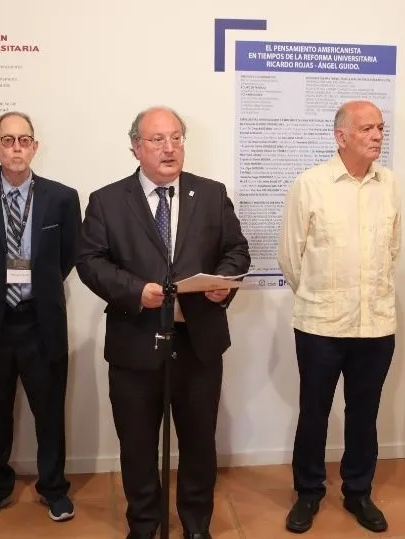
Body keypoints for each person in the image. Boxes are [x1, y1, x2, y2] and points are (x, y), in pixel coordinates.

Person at [76, 106, 250, 539]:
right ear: (136, 147)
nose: (169, 147)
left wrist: (222, 284)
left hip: (198, 343)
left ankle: (195, 524)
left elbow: (237, 251)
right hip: (135, 344)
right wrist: (135, 290)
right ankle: (144, 524)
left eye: (176, 137)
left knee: (197, 444)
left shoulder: (211, 194)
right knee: (137, 445)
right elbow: (89, 262)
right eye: (157, 140)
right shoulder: (107, 200)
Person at [0, 111, 80, 527]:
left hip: (40, 321)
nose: (17, 148)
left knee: (50, 410)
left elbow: (67, 257)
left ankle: (54, 488)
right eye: (8, 140)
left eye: (24, 140)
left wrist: (34, 286)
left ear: (35, 146)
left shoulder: (62, 197)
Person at [277, 100, 401, 534]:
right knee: (314, 412)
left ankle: (358, 492)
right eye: (367, 128)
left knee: (364, 414)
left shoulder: (390, 185)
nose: (377, 135)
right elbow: (291, 257)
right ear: (341, 135)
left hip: (376, 324)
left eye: (381, 128)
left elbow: (392, 250)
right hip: (320, 325)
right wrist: (321, 296)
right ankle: (308, 493)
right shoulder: (310, 184)